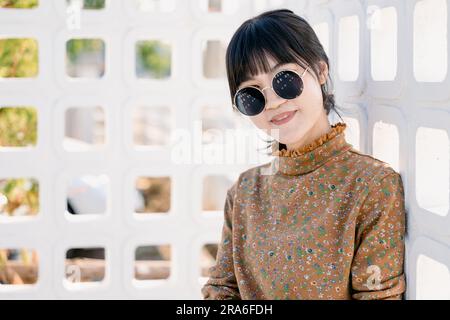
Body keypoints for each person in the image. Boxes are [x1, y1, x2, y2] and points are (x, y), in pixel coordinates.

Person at [201, 8, 406, 300]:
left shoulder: (372, 186)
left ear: (321, 71)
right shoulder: (244, 193)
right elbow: (221, 291)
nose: (272, 102)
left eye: (284, 80)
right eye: (252, 94)